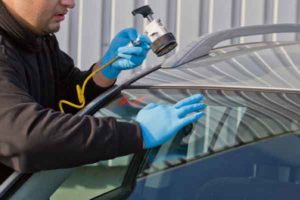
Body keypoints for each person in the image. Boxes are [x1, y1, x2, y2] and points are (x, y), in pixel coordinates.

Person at [0, 0, 205, 173]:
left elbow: (65, 98)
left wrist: (106, 70)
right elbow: (25, 136)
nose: (70, 3)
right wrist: (138, 134)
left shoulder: (37, 39)